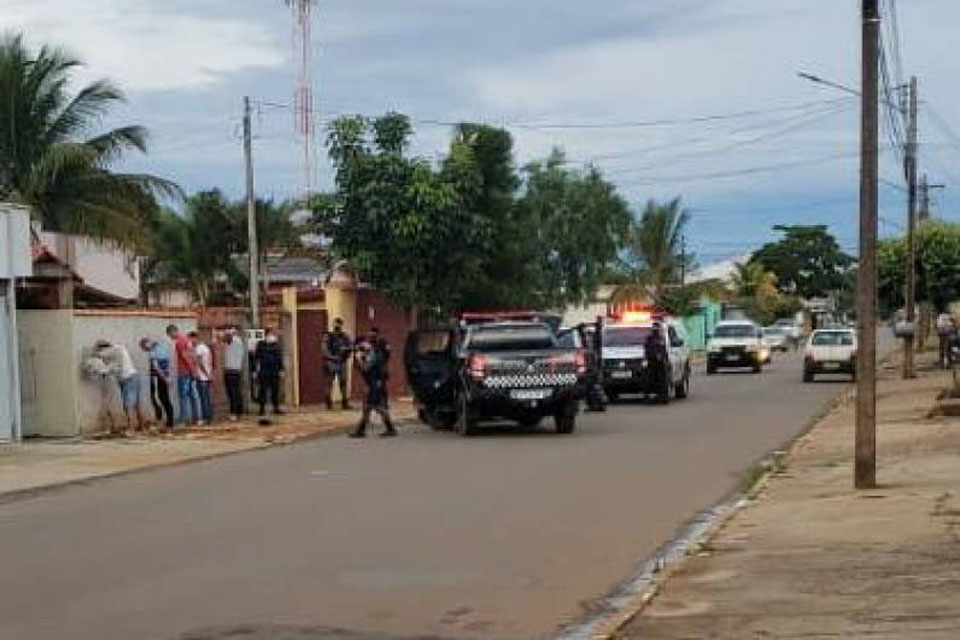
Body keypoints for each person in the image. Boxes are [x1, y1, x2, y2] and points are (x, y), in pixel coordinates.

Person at [349, 329, 396, 438]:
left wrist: (360, 360)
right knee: (368, 407)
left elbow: (366, 368)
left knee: (375, 406)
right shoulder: (377, 354)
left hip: (375, 383)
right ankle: (361, 430)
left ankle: (390, 428)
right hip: (376, 382)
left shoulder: (376, 355)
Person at [94, 340, 144, 432]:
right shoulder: (117, 354)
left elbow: (100, 355)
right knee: (136, 404)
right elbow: (110, 368)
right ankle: (140, 426)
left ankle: (131, 428)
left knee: (128, 405)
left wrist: (95, 354)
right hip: (131, 377)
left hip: (128, 379)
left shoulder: (116, 349)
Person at [166, 324, 200, 428]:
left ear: (173, 332)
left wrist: (192, 370)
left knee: (183, 397)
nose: (170, 337)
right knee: (192, 395)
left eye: (170, 335)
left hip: (184, 373)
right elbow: (192, 356)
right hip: (188, 372)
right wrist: (194, 370)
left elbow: (186, 357)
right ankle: (197, 418)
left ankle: (184, 420)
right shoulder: (187, 340)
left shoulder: (180, 342)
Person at [140, 337, 174, 430]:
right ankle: (170, 421)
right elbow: (168, 364)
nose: (145, 350)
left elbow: (156, 367)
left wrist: (163, 377)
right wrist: (168, 377)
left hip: (157, 378)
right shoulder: (162, 348)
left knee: (156, 398)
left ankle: (159, 419)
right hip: (165, 376)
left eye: (144, 347)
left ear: (147, 343)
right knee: (165, 399)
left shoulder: (153, 352)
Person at [322, 318, 353, 410]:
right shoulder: (328, 336)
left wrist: (346, 351)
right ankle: (328, 403)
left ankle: (344, 403)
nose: (337, 326)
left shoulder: (345, 336)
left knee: (343, 383)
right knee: (329, 383)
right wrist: (332, 357)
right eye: (336, 324)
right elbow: (324, 349)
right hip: (331, 362)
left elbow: (350, 347)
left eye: (339, 324)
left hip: (342, 362)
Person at [254, 327, 284, 417]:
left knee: (275, 390)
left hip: (274, 371)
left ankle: (275, 407)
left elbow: (279, 358)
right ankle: (262, 408)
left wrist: (281, 369)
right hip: (264, 371)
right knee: (263, 390)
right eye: (271, 334)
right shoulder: (261, 344)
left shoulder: (276, 345)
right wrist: (255, 370)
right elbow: (257, 357)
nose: (272, 336)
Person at [223, 327, 245, 420]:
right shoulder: (239, 342)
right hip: (237, 370)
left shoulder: (234, 341)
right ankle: (239, 411)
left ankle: (234, 412)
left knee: (232, 393)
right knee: (237, 392)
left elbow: (227, 338)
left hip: (231, 370)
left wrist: (226, 333)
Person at [191, 331, 214, 424]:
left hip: (202, 376)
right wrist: (209, 374)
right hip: (207, 376)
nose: (191, 342)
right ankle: (209, 416)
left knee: (203, 398)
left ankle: (205, 417)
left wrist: (205, 374)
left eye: (192, 339)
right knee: (207, 397)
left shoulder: (199, 349)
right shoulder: (206, 348)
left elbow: (199, 363)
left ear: (195, 338)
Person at [645, 322, 669, 395]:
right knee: (650, 378)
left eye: (657, 329)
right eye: (654, 329)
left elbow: (664, 350)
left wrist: (665, 359)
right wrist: (653, 356)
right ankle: (650, 393)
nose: (656, 331)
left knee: (662, 379)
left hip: (661, 364)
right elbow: (647, 350)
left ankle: (662, 393)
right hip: (651, 362)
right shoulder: (649, 339)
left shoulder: (661, 338)